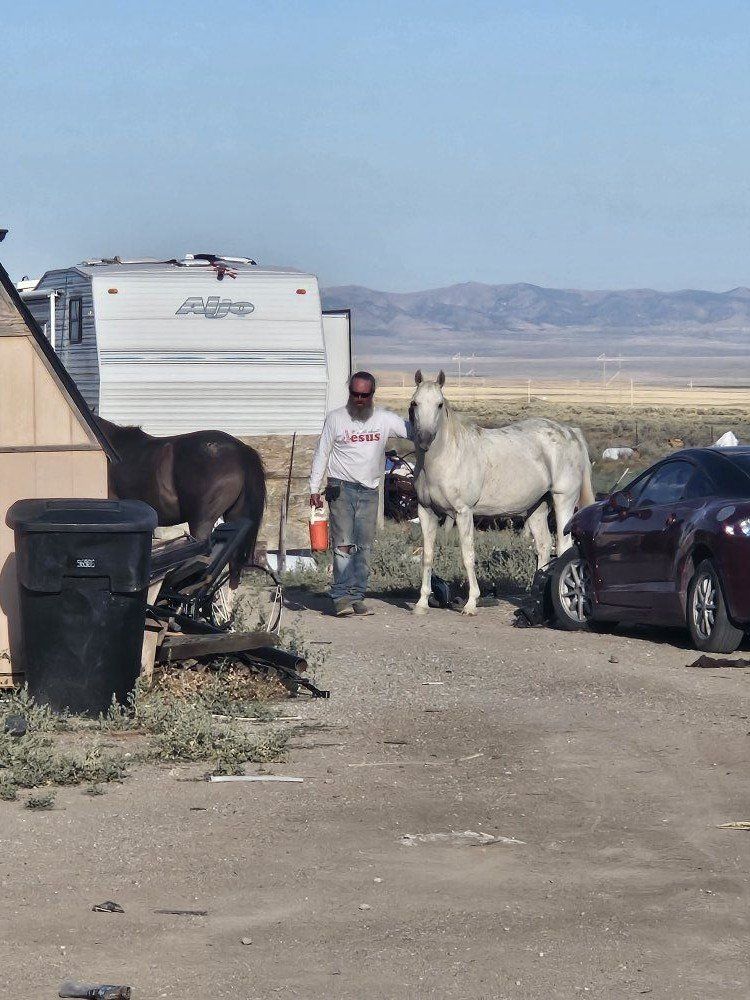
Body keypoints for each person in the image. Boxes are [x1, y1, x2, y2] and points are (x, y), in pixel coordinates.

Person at [309, 371, 410, 616]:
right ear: (350, 392)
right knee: (343, 544)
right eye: (355, 394)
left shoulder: (385, 419)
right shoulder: (335, 419)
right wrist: (314, 488)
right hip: (341, 488)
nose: (360, 399)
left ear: (372, 394)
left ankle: (357, 596)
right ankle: (340, 597)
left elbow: (416, 432)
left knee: (364, 546)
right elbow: (322, 453)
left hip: (370, 491)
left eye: (365, 395)